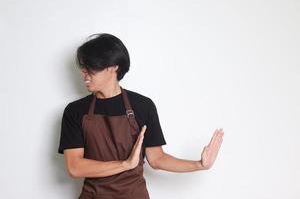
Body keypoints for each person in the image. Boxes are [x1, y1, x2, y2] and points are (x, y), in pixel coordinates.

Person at [57, 33, 224, 199]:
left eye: (91, 66)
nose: (84, 73)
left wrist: (199, 165)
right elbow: (75, 167)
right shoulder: (75, 111)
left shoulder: (142, 106)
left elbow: (157, 159)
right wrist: (124, 164)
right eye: (83, 67)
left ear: (113, 67)